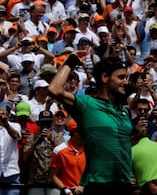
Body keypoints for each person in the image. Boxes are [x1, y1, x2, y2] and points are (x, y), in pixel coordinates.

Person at [48, 55, 133, 194]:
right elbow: (54, 89)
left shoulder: (123, 110)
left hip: (125, 185)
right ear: (105, 78)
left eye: (126, 78)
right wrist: (72, 60)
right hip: (99, 185)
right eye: (121, 77)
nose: (125, 82)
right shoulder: (87, 104)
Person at [51, 119, 86, 195]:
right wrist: (67, 190)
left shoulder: (89, 149)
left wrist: (82, 187)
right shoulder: (59, 151)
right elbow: (54, 176)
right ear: (74, 133)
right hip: (68, 192)